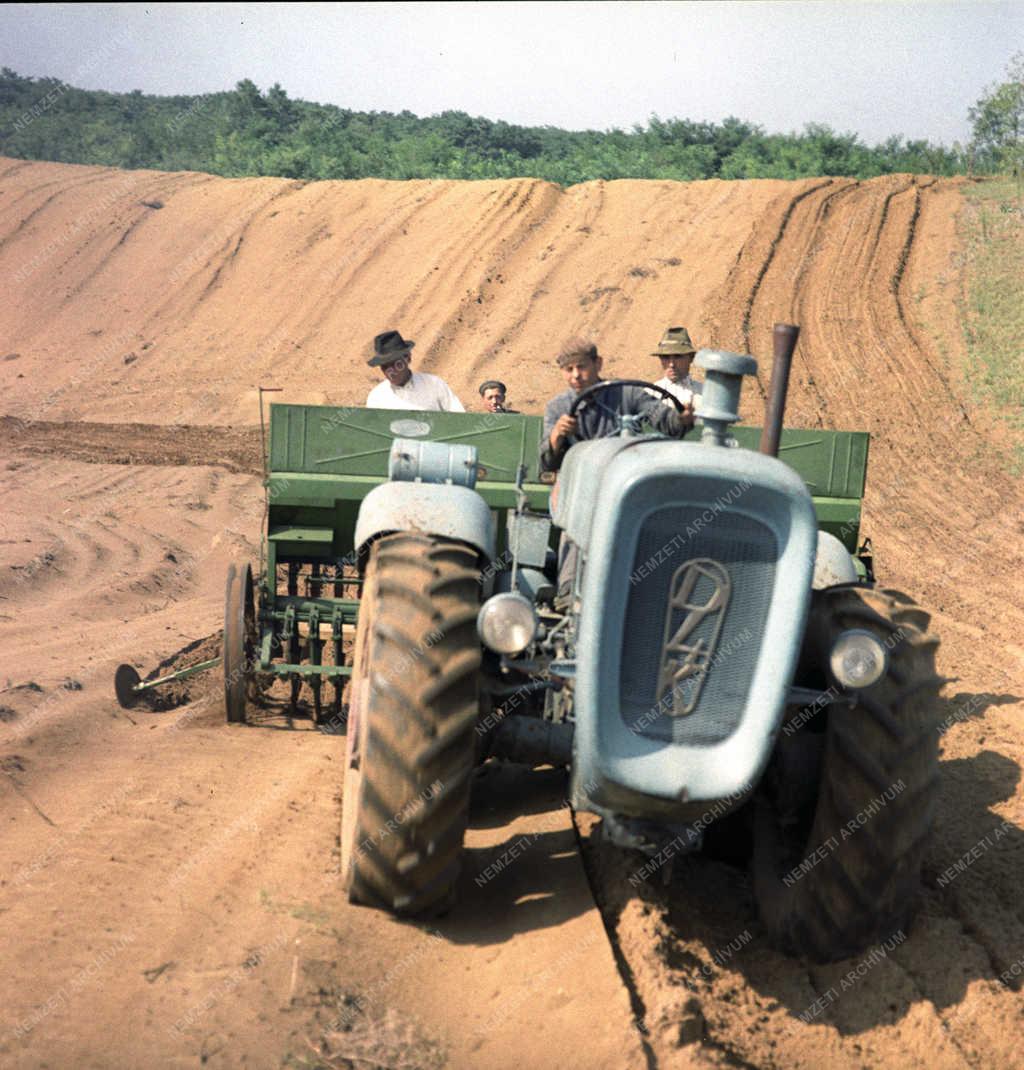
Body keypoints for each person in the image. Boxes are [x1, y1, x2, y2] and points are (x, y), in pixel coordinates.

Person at [541, 336, 693, 473]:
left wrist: (679, 419)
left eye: (581, 367)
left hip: (622, 477)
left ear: (598, 363)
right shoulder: (557, 408)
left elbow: (660, 416)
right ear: (562, 372)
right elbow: (547, 465)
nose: (576, 375)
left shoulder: (627, 393)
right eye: (569, 369)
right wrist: (557, 436)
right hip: (580, 480)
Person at [364, 330, 465, 412]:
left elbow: (459, 419)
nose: (391, 372)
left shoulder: (434, 385)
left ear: (408, 358)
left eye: (395, 364)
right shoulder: (377, 397)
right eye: (385, 367)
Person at [650, 326, 703, 410]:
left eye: (678, 356)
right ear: (660, 359)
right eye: (666, 357)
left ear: (691, 358)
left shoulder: (705, 394)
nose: (671, 364)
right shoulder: (651, 394)